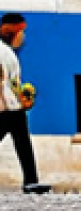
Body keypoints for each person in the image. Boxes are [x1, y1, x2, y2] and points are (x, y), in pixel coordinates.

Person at [0, 13, 50, 194]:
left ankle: (31, 180)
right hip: (7, 108)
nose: (24, 37)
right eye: (22, 32)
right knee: (22, 140)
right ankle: (30, 181)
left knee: (22, 141)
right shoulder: (6, 55)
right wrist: (20, 103)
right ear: (13, 32)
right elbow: (6, 84)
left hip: (8, 107)